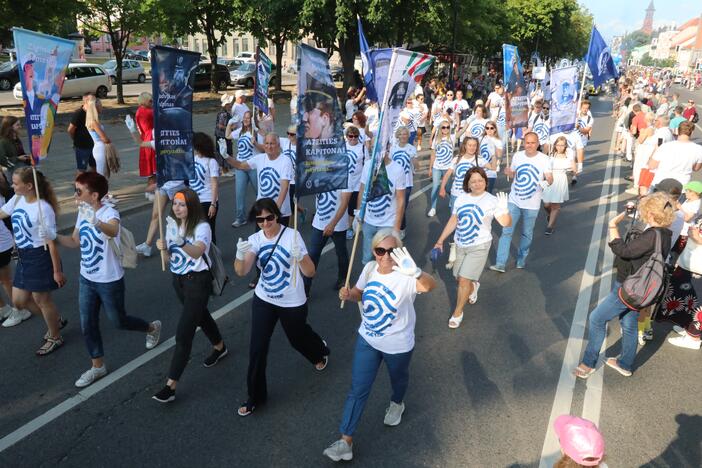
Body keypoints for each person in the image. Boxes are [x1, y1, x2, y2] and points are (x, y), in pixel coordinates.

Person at [324, 230, 436, 462]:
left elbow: (429, 286)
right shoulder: (369, 269)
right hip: (368, 339)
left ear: (399, 252)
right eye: (380, 250)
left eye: (392, 251)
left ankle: (397, 403)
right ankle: (345, 441)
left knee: (398, 380)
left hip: (398, 344)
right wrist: (348, 294)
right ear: (374, 251)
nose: (385, 256)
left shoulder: (406, 275)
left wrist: (415, 271)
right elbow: (359, 294)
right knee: (358, 389)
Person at [56, 172, 161, 387]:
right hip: (87, 278)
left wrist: (97, 222)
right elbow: (74, 241)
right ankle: (97, 366)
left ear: (94, 195)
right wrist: (52, 236)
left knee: (118, 321)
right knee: (88, 324)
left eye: (79, 191)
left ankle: (151, 328)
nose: (75, 195)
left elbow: (113, 230)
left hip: (109, 280)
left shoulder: (110, 212)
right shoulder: (82, 210)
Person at [234, 198, 329, 416]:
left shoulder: (292, 236)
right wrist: (240, 254)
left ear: (277, 215)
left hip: (292, 301)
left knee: (297, 338)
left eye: (269, 217)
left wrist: (300, 257)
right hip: (264, 299)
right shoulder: (255, 239)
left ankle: (319, 352)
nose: (266, 223)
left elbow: (310, 272)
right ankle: (255, 397)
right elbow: (242, 271)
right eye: (260, 219)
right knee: (257, 348)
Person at [574, 192, 674, 378]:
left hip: (629, 286)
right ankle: (625, 364)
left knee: (596, 318)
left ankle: (588, 363)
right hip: (643, 290)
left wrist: (613, 225)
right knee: (628, 324)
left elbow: (624, 251)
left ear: (651, 214)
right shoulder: (665, 233)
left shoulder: (652, 235)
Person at [152, 188, 227, 403]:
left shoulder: (202, 227)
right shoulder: (173, 225)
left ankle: (170, 387)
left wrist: (181, 241)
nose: (177, 207)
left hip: (198, 282)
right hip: (179, 281)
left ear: (191, 206)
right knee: (201, 316)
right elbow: (168, 261)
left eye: (182, 204)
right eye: (175, 203)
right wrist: (163, 248)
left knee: (183, 335)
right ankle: (220, 346)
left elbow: (197, 252)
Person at [0, 167, 66, 355]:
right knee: (19, 301)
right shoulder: (18, 198)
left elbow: (51, 243)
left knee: (41, 299)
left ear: (29, 186)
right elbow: (2, 213)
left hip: (39, 255)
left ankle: (55, 336)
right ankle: (55, 320)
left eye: (16, 183)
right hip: (23, 256)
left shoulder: (43, 208)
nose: (12, 186)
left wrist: (57, 271)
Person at [434, 169, 511, 328]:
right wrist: (440, 240)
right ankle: (474, 285)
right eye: (473, 181)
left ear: (486, 181)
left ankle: (458, 312)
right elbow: (454, 220)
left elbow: (505, 223)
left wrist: (504, 210)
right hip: (460, 244)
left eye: (480, 180)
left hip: (480, 246)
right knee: (458, 277)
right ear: (468, 184)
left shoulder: (492, 200)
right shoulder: (461, 199)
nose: (477, 184)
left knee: (463, 280)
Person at [491, 132, 553, 272]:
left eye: (533, 143)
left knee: (526, 234)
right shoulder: (517, 156)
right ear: (524, 143)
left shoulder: (544, 159)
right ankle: (500, 263)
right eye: (527, 142)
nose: (530, 145)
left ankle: (521, 259)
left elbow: (550, 178)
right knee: (506, 231)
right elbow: (513, 174)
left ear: (537, 144)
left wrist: (545, 182)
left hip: (532, 205)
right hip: (514, 200)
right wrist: (509, 172)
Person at [357, 148, 406, 264]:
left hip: (388, 224)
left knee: (388, 259)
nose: (377, 151)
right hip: (368, 222)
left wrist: (396, 228)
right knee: (367, 258)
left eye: (381, 147)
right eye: (375, 147)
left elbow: (401, 200)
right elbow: (362, 190)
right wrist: (358, 213)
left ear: (387, 148)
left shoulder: (397, 169)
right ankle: (368, 280)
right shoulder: (368, 165)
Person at [440, 137, 493, 210]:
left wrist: (494, 154)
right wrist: (442, 188)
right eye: (470, 145)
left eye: (474, 145)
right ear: (465, 146)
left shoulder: (479, 159)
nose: (472, 148)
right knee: (455, 218)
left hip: (472, 195)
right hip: (456, 194)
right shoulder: (457, 158)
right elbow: (447, 175)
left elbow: (493, 167)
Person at [226, 110, 258, 228]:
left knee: (260, 193)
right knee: (239, 193)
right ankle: (240, 218)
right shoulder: (240, 131)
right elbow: (227, 136)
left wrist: (255, 142)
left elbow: (263, 149)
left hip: (253, 166)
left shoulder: (256, 132)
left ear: (252, 120)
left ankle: (264, 213)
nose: (246, 120)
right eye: (245, 118)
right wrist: (229, 124)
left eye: (249, 118)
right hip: (240, 166)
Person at [648, 121, 702, 187]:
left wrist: (656, 149)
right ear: (692, 132)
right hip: (681, 186)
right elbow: (696, 168)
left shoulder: (665, 146)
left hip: (661, 183)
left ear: (678, 131)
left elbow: (651, 165)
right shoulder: (698, 149)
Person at [542, 136, 577, 235]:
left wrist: (572, 159)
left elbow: (574, 169)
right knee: (546, 204)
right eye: (558, 145)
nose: (560, 147)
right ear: (555, 145)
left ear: (565, 145)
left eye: (562, 145)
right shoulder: (551, 153)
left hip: (560, 179)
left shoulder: (568, 155)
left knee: (555, 205)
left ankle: (550, 226)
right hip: (550, 179)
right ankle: (550, 215)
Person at [190, 133, 219, 244]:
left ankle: (213, 257)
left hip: (207, 201)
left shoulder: (211, 162)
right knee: (196, 231)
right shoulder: (194, 158)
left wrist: (213, 204)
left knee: (208, 231)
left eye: (195, 147)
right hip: (194, 200)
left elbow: (214, 184)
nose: (194, 149)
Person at [391, 127, 418, 238]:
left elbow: (417, 166)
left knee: (402, 207)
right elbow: (389, 164)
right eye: (401, 134)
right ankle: (394, 226)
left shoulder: (411, 148)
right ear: (398, 136)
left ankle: (401, 228)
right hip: (393, 182)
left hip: (406, 183)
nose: (403, 136)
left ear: (408, 136)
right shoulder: (393, 149)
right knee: (393, 206)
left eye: (405, 134)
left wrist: (413, 158)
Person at [427, 119, 455, 217]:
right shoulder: (436, 139)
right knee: (435, 187)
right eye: (443, 127)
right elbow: (433, 154)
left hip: (448, 168)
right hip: (436, 167)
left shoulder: (452, 137)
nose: (446, 129)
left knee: (448, 188)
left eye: (448, 127)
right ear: (440, 129)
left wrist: (470, 120)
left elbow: (462, 131)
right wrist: (430, 168)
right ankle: (433, 208)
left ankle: (452, 199)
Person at [344, 126, 366, 240]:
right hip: (343, 182)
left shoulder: (362, 148)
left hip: (357, 183)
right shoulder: (342, 147)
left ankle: (350, 228)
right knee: (343, 205)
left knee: (352, 207)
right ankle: (344, 225)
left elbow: (367, 164)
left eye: (355, 136)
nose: (353, 138)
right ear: (347, 136)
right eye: (350, 136)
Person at [135, 92, 157, 199]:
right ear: (144, 101)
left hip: (145, 138)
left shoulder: (140, 110)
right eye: (150, 101)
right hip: (150, 138)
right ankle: (150, 192)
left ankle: (150, 192)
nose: (152, 103)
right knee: (153, 170)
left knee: (151, 170)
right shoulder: (147, 112)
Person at [67, 94, 96, 175]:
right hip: (82, 147)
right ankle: (78, 186)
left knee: (95, 167)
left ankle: (91, 184)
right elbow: (70, 130)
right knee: (81, 170)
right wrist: (75, 139)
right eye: (93, 101)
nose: (95, 103)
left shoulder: (93, 112)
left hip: (93, 145)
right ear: (86, 102)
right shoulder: (79, 113)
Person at [85, 96, 111, 177]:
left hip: (99, 147)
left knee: (103, 172)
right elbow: (105, 139)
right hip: (100, 148)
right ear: (95, 107)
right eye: (100, 105)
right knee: (101, 174)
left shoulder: (93, 121)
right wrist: (109, 140)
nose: (102, 107)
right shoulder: (94, 122)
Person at [478, 120, 503, 193]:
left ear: (495, 129)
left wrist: (494, 152)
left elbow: (499, 156)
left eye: (491, 128)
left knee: (487, 192)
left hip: (491, 172)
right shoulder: (480, 139)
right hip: (480, 170)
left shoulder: (498, 141)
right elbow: (478, 154)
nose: (489, 130)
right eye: (487, 128)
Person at [214, 93, 234, 177]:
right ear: (226, 105)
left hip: (222, 135)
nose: (231, 105)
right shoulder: (224, 114)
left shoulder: (223, 113)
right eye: (229, 104)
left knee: (223, 152)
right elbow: (220, 125)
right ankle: (224, 171)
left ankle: (225, 169)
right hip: (223, 136)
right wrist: (230, 128)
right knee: (224, 152)